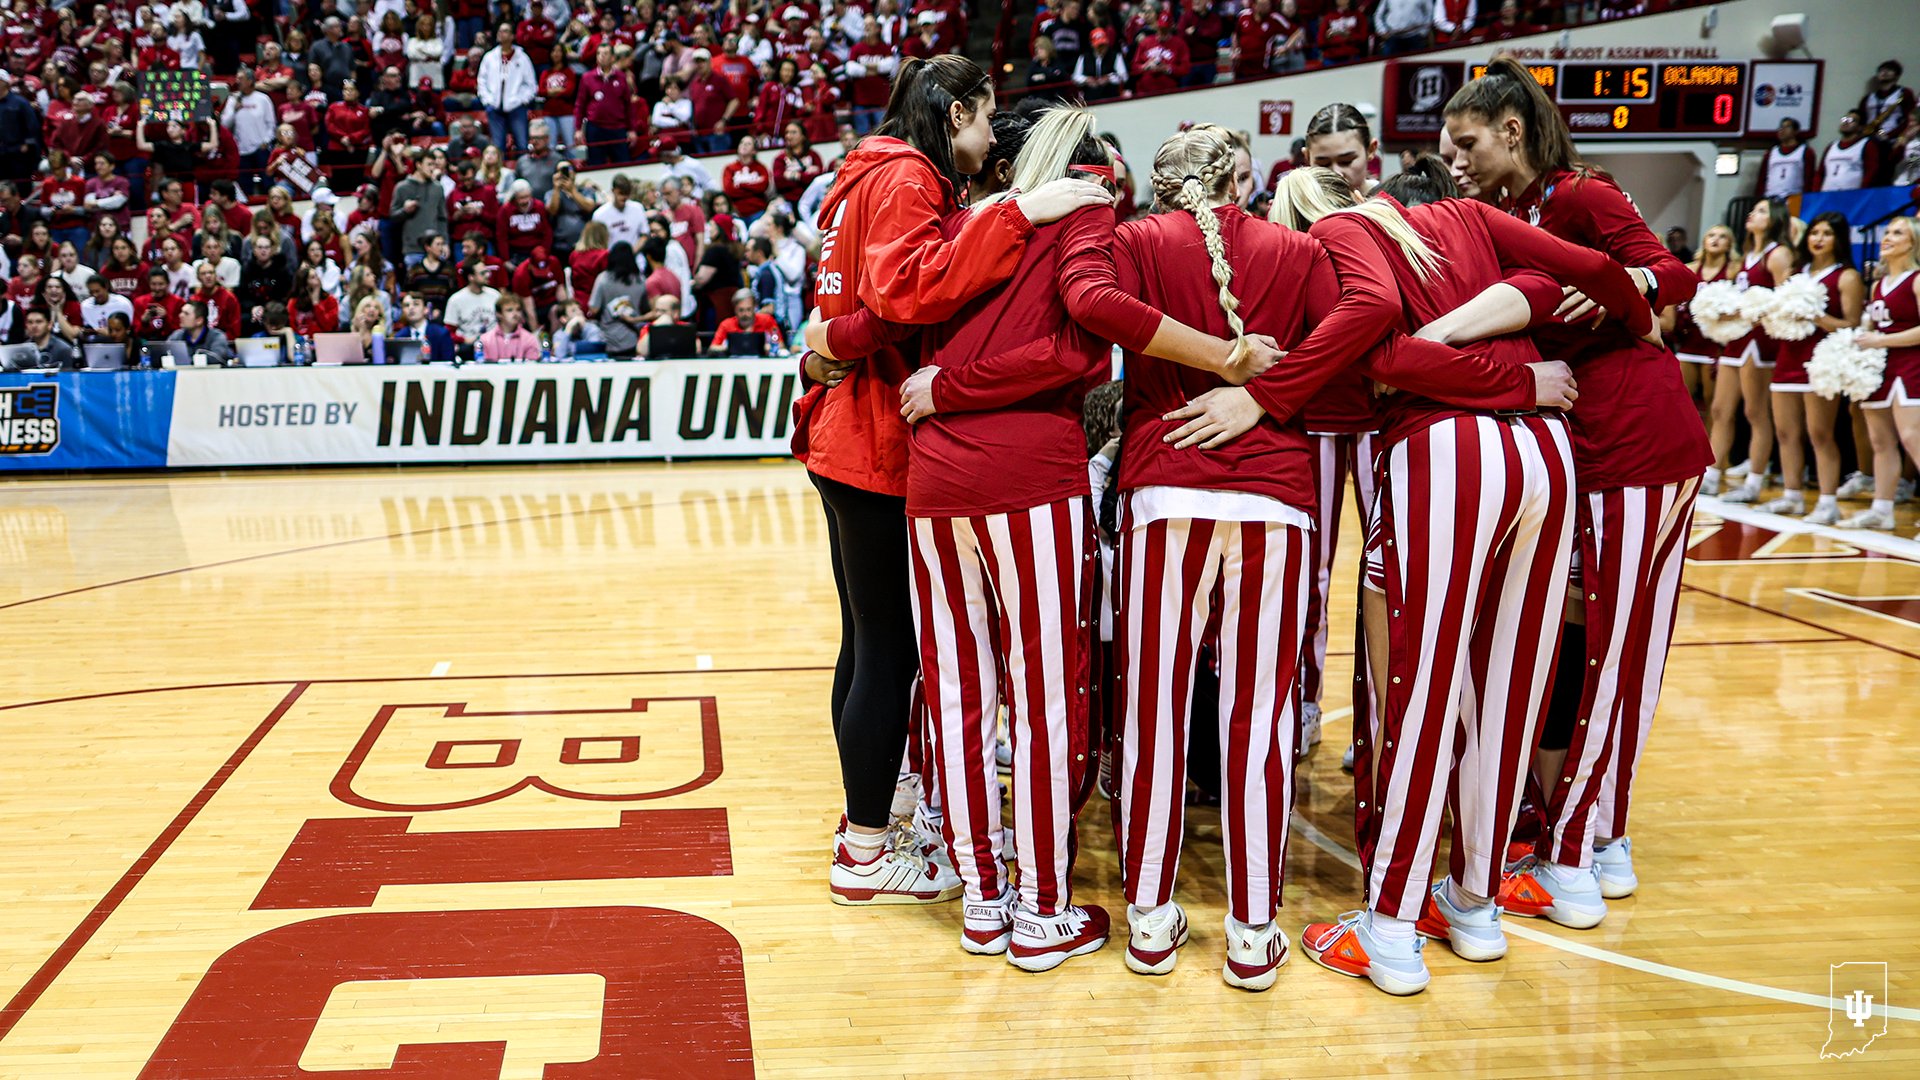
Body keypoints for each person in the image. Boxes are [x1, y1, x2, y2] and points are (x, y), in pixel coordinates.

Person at [794, 54, 1110, 908]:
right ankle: (865, 849)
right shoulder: (905, 175)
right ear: (957, 110)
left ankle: (884, 808)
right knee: (890, 647)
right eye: (983, 116)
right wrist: (1020, 212)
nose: (986, 137)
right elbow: (907, 291)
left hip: (844, 428)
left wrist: (826, 345)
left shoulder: (861, 173)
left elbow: (842, 308)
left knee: (867, 641)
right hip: (874, 439)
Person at [1444, 56, 1712, 929]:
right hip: (1595, 446)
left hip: (1635, 441)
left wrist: (1624, 285)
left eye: (1468, 142)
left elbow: (1674, 278)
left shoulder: (1580, 196)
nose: (1457, 158)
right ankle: (1597, 830)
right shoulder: (1510, 213)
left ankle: (1579, 850)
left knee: (1614, 653)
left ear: (1512, 131)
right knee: (1597, 646)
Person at [1765, 213, 1865, 526]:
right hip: (1788, 357)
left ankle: (1827, 501)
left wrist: (1814, 315)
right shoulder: (1797, 273)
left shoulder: (1847, 276)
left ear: (1839, 239)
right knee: (1785, 432)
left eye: (1827, 233)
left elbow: (1851, 324)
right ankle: (1792, 495)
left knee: (1820, 434)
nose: (1818, 238)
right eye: (1815, 232)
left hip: (1820, 361)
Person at [1708, 198, 1794, 504]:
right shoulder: (1747, 254)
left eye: (1760, 211)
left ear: (1774, 220)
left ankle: (1755, 481)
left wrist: (1747, 314)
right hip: (1738, 337)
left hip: (1760, 341)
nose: (1752, 214)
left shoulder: (1778, 254)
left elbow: (1786, 301)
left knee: (1755, 412)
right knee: (1720, 409)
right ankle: (1713, 473)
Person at [1847, 216, 1920, 533]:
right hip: (1881, 368)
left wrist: (1881, 340)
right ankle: (1882, 508)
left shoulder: (1917, 279)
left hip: (1912, 365)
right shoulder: (1878, 284)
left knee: (1912, 437)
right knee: (1880, 441)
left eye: (1898, 232)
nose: (1888, 237)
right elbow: (1874, 328)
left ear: (1913, 242)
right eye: (1887, 231)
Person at [478, 21, 538, 155]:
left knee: (522, 144)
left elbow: (531, 85)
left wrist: (522, 100)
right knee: (498, 146)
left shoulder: (522, 58)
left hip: (516, 107)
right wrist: (487, 100)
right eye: (499, 30)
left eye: (505, 31)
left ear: (512, 36)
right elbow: (481, 81)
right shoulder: (489, 57)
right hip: (494, 107)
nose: (501, 33)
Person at [587, 240, 652, 357]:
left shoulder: (603, 279)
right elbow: (646, 308)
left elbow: (594, 309)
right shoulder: (640, 280)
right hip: (634, 338)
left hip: (609, 339)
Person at [389, 149, 449, 264]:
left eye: (434, 165)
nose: (433, 168)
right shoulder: (402, 187)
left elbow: (442, 218)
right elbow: (393, 216)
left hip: (435, 249)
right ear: (418, 165)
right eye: (429, 164)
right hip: (413, 249)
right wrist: (405, 211)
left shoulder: (438, 188)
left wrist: (445, 243)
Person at [1819, 110, 1883, 192]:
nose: (1846, 122)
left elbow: (1871, 172)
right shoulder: (1831, 146)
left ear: (1861, 127)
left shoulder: (1867, 145)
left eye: (1851, 120)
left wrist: (1861, 192)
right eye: (1844, 119)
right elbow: (1820, 173)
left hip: (1851, 196)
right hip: (1826, 195)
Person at [1756, 118, 1816, 200]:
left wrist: (1808, 198)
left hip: (1795, 198)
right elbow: (1762, 178)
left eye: (1787, 127)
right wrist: (1759, 197)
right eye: (1781, 127)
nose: (1782, 130)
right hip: (1771, 197)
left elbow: (1809, 178)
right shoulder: (1771, 153)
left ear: (1796, 131)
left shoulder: (1805, 152)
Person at [392, 291, 458, 364]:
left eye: (416, 304)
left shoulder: (441, 333)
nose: (411, 308)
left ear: (425, 309)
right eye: (407, 305)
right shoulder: (399, 337)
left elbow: (449, 363)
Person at [168, 299, 233, 366]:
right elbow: (166, 354)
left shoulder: (217, 336)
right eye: (181, 312)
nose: (180, 315)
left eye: (186, 313)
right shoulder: (176, 336)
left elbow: (217, 358)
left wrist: (187, 360)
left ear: (199, 320)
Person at [477, 294, 543, 361]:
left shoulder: (530, 339)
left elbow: (532, 368)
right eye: (509, 310)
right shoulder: (485, 340)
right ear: (499, 314)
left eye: (518, 310)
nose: (515, 314)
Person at [1072, 28, 1126, 102]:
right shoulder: (1084, 57)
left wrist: (1109, 78)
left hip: (1111, 98)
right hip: (1090, 99)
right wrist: (1086, 80)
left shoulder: (1116, 56)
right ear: (1092, 44)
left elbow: (1124, 76)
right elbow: (1075, 77)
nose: (1102, 48)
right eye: (1099, 46)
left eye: (1103, 45)